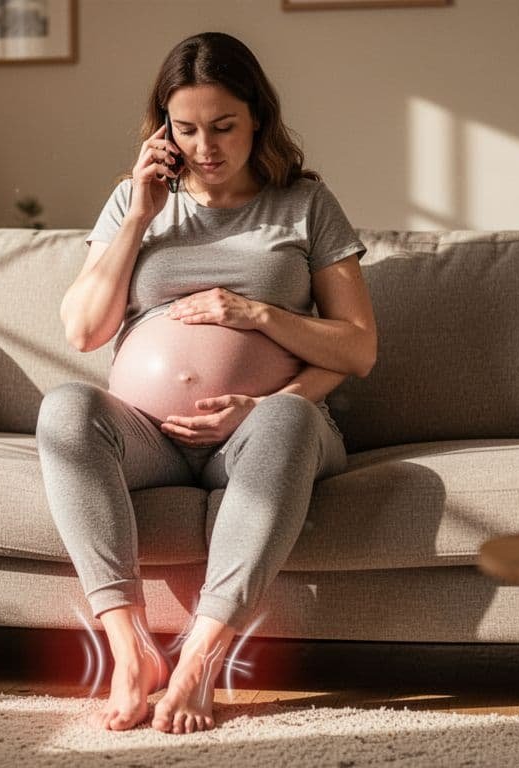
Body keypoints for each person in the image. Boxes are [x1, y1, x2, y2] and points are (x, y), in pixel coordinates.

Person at [36, 31, 377, 735]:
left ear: (258, 118)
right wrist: (140, 214)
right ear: (163, 128)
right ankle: (131, 651)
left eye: (223, 127)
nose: (205, 147)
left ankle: (199, 659)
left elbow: (358, 347)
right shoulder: (133, 201)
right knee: (65, 409)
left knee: (285, 421)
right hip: (150, 439)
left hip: (265, 430)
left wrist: (255, 318)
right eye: (185, 129)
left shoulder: (304, 204)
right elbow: (84, 331)